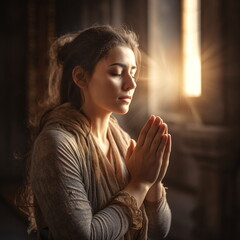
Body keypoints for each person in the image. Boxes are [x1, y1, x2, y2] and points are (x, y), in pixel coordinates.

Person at [25, 25, 172, 240]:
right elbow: (83, 236)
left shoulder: (122, 140)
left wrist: (154, 180)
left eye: (132, 72)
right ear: (81, 77)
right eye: (116, 72)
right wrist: (140, 183)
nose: (131, 84)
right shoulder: (56, 144)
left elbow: (159, 231)